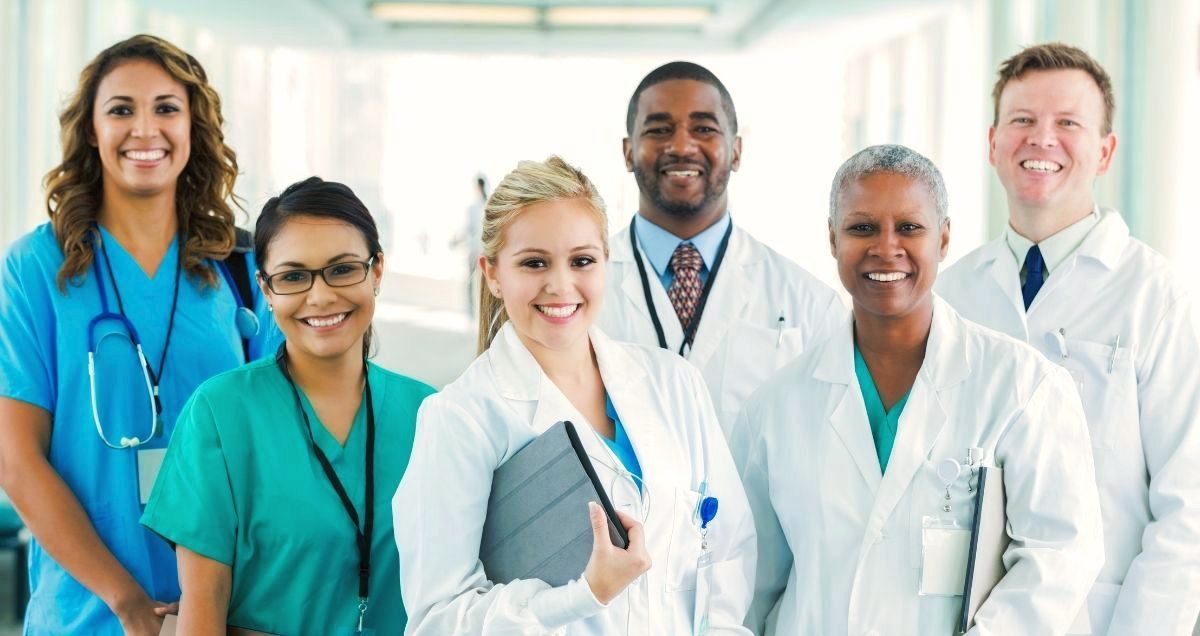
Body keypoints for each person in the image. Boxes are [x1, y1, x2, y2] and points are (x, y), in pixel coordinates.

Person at [732, 144, 1103, 635]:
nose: (886, 248)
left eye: (909, 227)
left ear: (944, 238)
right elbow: (748, 584)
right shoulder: (775, 408)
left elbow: (1060, 557)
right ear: (831, 237)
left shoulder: (1021, 386)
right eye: (861, 227)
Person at [394, 156, 755, 634]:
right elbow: (438, 619)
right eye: (534, 262)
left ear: (606, 262)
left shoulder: (673, 383)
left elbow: (727, 553)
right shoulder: (461, 418)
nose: (560, 285)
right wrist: (581, 596)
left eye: (581, 260)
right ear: (493, 273)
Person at [0, 34, 276, 635]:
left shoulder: (238, 268)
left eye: (166, 108)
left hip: (227, 613)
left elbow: (279, 442)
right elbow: (16, 459)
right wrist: (126, 603)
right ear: (91, 130)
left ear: (193, 128)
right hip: (85, 615)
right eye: (121, 109)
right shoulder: (34, 270)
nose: (144, 129)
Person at [936, 43, 1200, 634]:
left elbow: (1189, 512)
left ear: (1104, 152)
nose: (1041, 139)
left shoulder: (1157, 298)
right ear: (993, 143)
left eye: (1068, 124)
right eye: (1023, 120)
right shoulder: (951, 298)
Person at [141, 177, 434, 633]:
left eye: (342, 269)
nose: (320, 296)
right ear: (266, 287)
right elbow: (202, 612)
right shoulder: (220, 415)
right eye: (294, 276)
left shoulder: (431, 415)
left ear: (377, 271)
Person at [598, 61, 846, 435]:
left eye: (704, 129)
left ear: (736, 151)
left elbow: (831, 448)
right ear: (628, 152)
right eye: (659, 129)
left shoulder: (809, 303)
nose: (681, 146)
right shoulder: (580, 293)